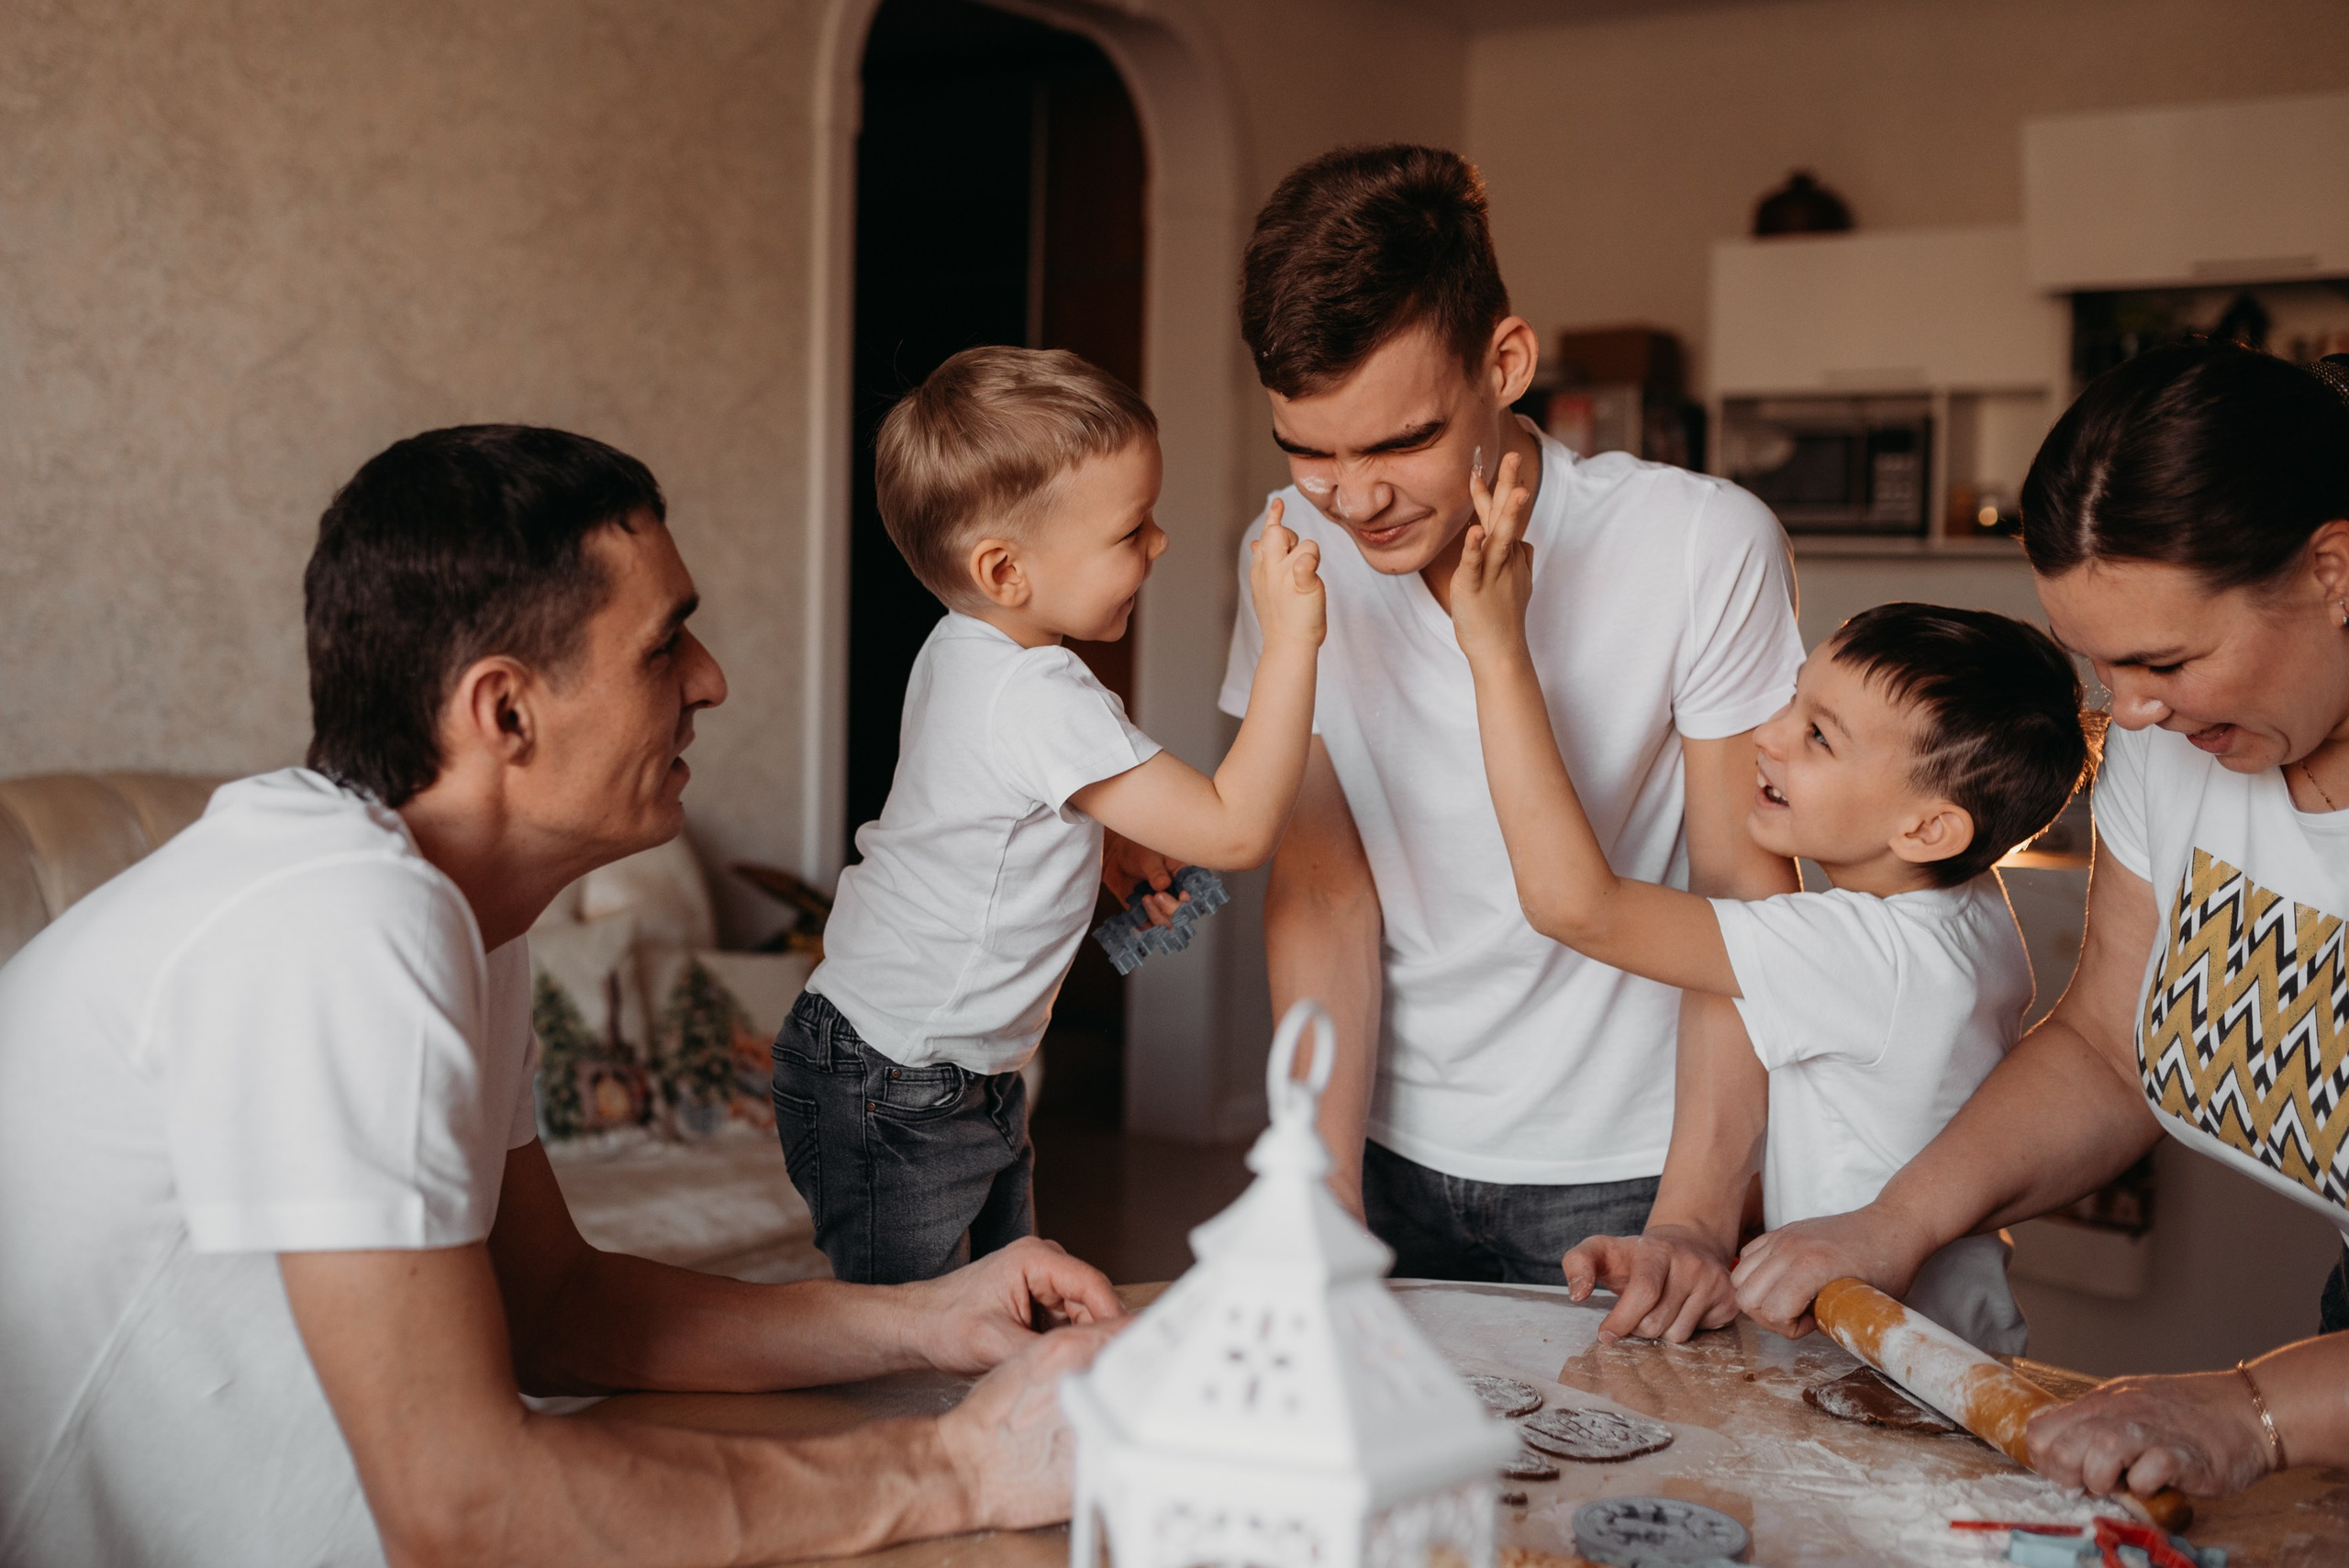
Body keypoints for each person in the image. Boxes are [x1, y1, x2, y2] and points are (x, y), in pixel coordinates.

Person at [0, 425, 1124, 1568]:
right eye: (663, 644)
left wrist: (928, 1317)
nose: (710, 679)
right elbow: (465, 1510)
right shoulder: (337, 919)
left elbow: (553, 1309)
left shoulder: (452, 916)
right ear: (505, 712)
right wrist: (958, 1463)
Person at [1734, 343, 2349, 1500]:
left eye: (2165, 659)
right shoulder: (2173, 758)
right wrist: (1889, 1224)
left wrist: (2253, 1407)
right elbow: (2107, 1049)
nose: (2131, 711)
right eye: (2103, 665)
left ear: (2333, 569)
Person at [1218, 144, 1803, 1331]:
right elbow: (1326, 892)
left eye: (1399, 443)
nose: (1355, 495)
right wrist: (1321, 1194)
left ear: (1507, 362)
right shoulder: (1289, 544)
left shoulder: (1700, 544)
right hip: (1381, 1145)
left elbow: (1742, 896)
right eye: (1310, 447)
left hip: (1630, 1169)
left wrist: (1694, 1214)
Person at [1450, 450, 2094, 1351]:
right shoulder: (1973, 917)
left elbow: (1574, 903)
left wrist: (1494, 647)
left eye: (1817, 735)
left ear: (1927, 829)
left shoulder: (1850, 951)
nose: (1768, 733)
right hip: (1960, 1341)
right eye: (1793, 699)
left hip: (1882, 1361)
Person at [782, 346, 1327, 1284]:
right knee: (908, 1353)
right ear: (1004, 568)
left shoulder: (960, 648)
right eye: (1130, 530)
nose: (1156, 543)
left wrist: (1098, 837)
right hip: (904, 1080)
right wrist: (1291, 641)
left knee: (992, 1315)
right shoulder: (1041, 689)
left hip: (919, 1060)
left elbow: (989, 805)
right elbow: (1236, 829)